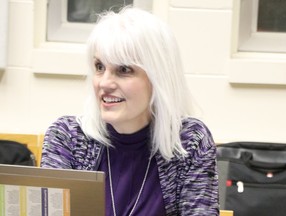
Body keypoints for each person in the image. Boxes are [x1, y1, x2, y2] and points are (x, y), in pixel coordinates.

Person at [41, 6, 219, 216]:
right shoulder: (67, 137)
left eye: (123, 70)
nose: (104, 83)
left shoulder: (189, 141)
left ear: (158, 77)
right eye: (99, 67)